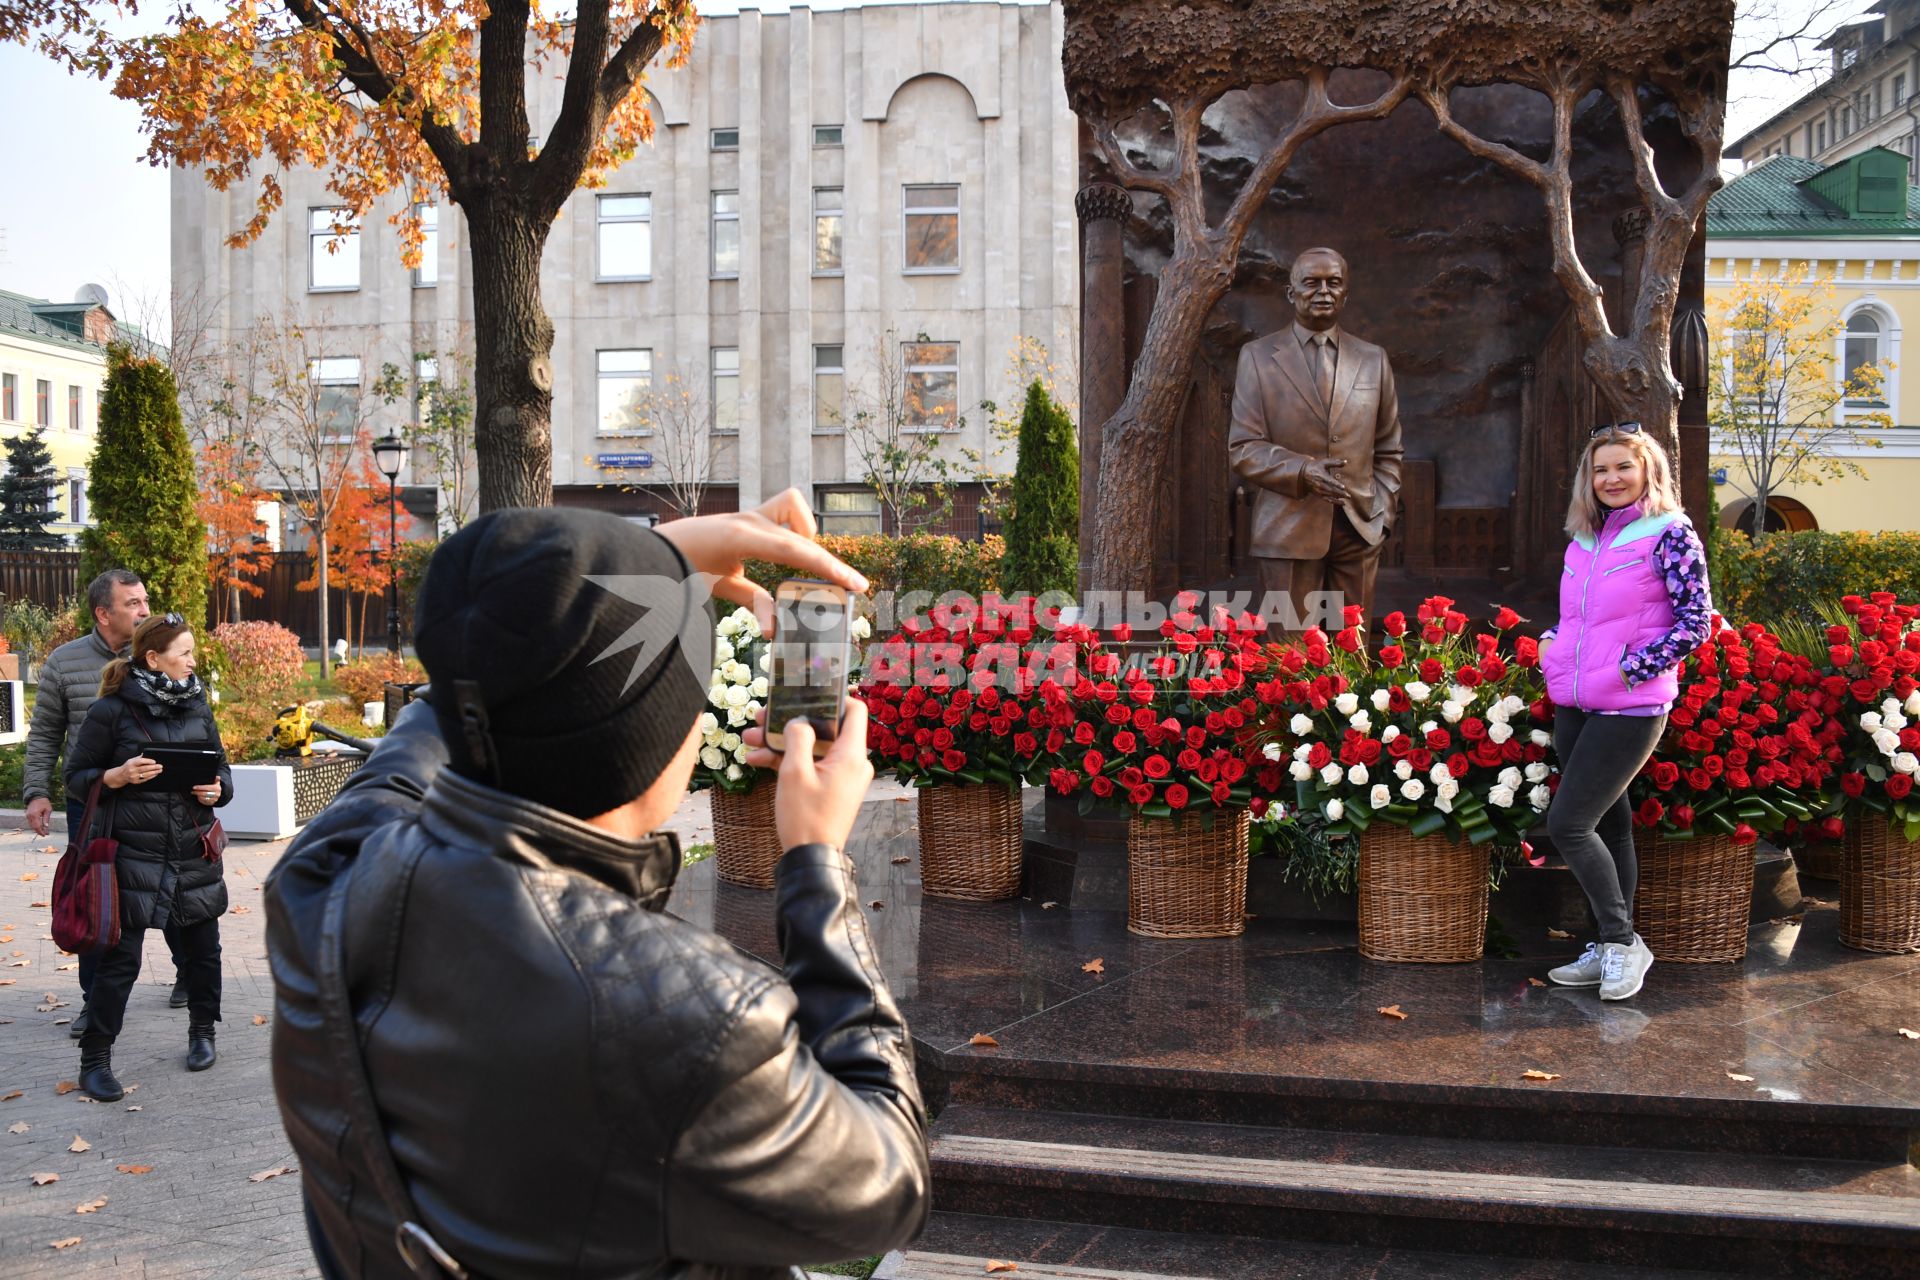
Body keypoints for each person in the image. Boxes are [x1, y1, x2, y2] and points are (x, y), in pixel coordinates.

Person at [265, 492, 930, 1279]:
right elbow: (886, 1185)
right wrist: (816, 862)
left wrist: (630, 569)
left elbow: (453, 707)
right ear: (666, 738)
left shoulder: (323, 881)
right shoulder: (693, 1021)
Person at [1539, 423, 1711, 1001]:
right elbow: (1577, 622)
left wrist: (1632, 669)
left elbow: (1696, 623)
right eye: (1601, 469)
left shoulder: (1670, 533)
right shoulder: (1582, 542)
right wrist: (1553, 647)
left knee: (1568, 823)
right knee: (1610, 826)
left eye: (1623, 467)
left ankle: (1620, 943)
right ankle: (1608, 944)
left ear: (1648, 473)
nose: (1611, 478)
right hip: (1577, 702)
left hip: (1632, 705)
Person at [64, 612, 232, 1100]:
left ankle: (203, 1033)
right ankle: (95, 1060)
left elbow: (221, 768)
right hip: (130, 857)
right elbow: (75, 778)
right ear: (153, 659)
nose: (193, 661)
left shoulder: (198, 706)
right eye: (184, 653)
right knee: (119, 963)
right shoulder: (111, 712)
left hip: (193, 852)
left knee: (204, 954)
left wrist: (217, 790)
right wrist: (114, 777)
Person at [23, 569, 188, 1038]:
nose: (143, 609)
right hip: (94, 803)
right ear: (104, 612)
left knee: (173, 888)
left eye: (144, 600)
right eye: (133, 603)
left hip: (159, 803)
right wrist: (36, 792)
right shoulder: (65, 661)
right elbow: (46, 735)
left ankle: (188, 972)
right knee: (97, 901)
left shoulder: (160, 655)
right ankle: (95, 999)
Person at [1228, 246, 1405, 627]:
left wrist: (1382, 515)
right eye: (1311, 282)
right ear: (1292, 293)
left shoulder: (1374, 360)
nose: (1323, 290)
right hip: (1286, 529)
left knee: (1351, 659)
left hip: (1359, 529)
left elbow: (1389, 447)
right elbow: (1243, 448)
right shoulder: (1257, 357)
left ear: (1346, 294)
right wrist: (1303, 471)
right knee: (1289, 663)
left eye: (1334, 283)